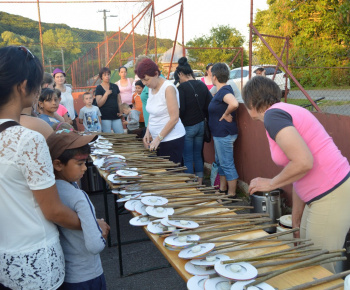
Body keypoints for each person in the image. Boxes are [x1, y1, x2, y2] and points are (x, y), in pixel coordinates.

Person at [242, 76, 350, 273]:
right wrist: (296, 215)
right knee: (307, 256)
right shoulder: (284, 111)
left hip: (331, 193)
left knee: (320, 269)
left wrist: (271, 183)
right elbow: (299, 172)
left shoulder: (273, 116)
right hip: (322, 194)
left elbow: (303, 161)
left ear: (251, 103)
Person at [0, 46, 81, 289]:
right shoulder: (27, 139)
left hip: (5, 256)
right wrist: (90, 224)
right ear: (23, 86)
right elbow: (53, 210)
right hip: (36, 258)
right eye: (36, 85)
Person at [46, 130, 109, 290]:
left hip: (65, 275)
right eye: (79, 164)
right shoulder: (79, 197)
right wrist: (101, 231)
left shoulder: (48, 193)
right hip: (88, 276)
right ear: (58, 164)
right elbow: (95, 245)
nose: (85, 169)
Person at [136, 58, 185, 164]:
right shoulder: (151, 87)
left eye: (146, 79)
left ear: (156, 73)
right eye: (142, 80)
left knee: (171, 175)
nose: (144, 83)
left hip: (171, 140)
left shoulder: (168, 88)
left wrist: (158, 138)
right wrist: (147, 132)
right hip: (157, 140)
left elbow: (174, 118)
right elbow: (152, 114)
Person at [176, 57, 212, 185]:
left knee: (188, 157)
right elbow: (209, 104)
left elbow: (182, 109)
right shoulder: (202, 85)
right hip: (201, 125)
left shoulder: (182, 89)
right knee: (198, 154)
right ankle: (200, 182)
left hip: (188, 127)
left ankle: (191, 183)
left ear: (180, 74)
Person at [208, 63, 239, 197]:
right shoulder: (222, 91)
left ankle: (231, 194)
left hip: (224, 134)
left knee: (227, 164)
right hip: (220, 134)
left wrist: (226, 114)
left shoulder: (224, 91)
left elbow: (234, 103)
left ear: (214, 77)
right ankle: (222, 189)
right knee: (221, 163)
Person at [95, 67, 123, 133]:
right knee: (107, 137)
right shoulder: (99, 88)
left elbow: (119, 101)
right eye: (105, 75)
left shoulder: (115, 86)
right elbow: (99, 104)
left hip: (116, 115)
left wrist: (121, 112)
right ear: (101, 77)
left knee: (120, 134)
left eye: (108, 74)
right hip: (105, 116)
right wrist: (105, 94)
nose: (107, 76)